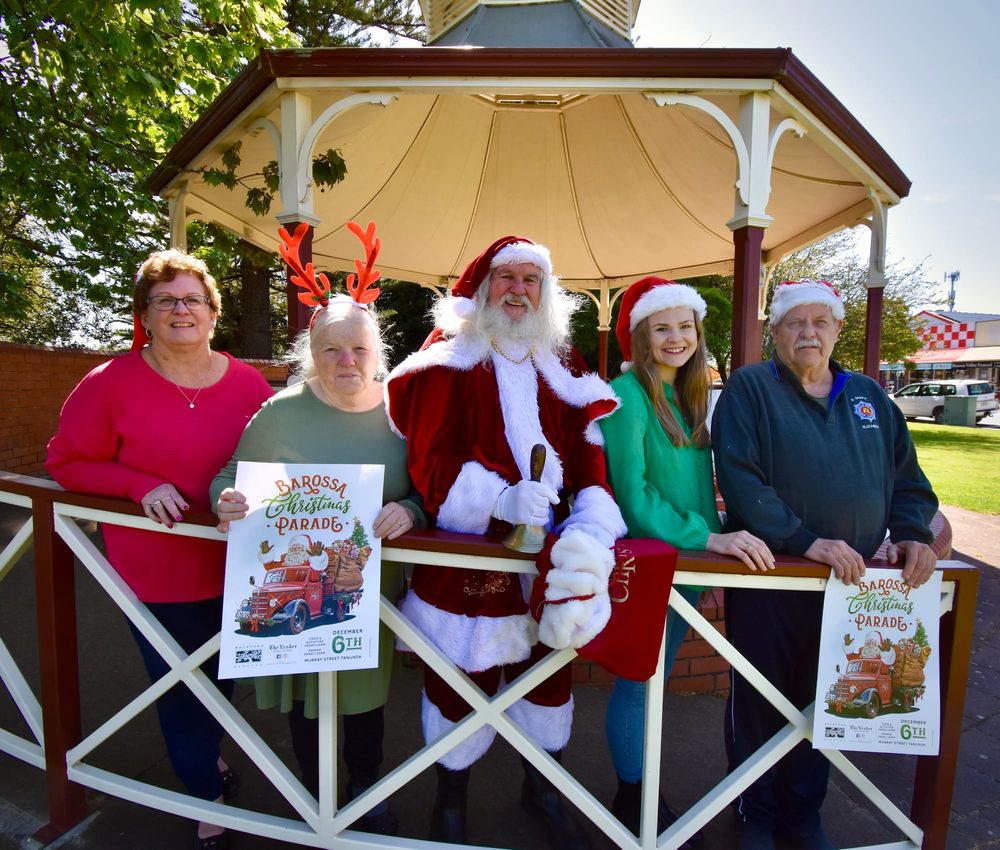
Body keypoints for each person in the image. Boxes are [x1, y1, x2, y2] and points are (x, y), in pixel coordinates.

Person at [385, 236, 627, 849]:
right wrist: (498, 499)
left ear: (546, 294)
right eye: (506, 277)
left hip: (549, 560)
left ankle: (542, 788)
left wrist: (593, 520)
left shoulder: (562, 366)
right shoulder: (450, 359)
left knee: (545, 674)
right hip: (470, 557)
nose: (518, 289)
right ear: (482, 288)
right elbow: (431, 460)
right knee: (458, 679)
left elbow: (589, 457)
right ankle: (450, 801)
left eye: (531, 279)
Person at [46, 249, 274, 850]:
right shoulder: (109, 383)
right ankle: (203, 791)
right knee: (177, 683)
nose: (180, 310)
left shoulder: (248, 382)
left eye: (192, 299)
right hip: (156, 569)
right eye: (165, 299)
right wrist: (136, 483)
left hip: (240, 564)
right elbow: (64, 462)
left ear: (212, 311)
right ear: (143, 314)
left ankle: (205, 760)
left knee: (220, 677)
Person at [211, 223, 425, 834]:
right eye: (332, 349)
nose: (346, 360)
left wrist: (409, 511)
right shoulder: (281, 413)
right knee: (307, 704)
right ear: (313, 352)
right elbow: (230, 475)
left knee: (364, 704)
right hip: (292, 585)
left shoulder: (400, 415)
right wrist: (223, 500)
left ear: (376, 351)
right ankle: (316, 801)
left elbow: (428, 492)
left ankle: (367, 790)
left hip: (366, 590)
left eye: (358, 347)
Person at [712, 279, 939, 850]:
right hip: (773, 580)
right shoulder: (750, 388)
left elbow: (909, 480)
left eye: (820, 322)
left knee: (830, 705)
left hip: (851, 590)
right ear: (776, 332)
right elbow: (739, 477)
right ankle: (754, 816)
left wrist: (914, 535)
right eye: (794, 322)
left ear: (839, 329)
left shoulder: (869, 396)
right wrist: (801, 538)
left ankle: (802, 816)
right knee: (762, 703)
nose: (808, 332)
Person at [599, 276, 775, 840]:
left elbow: (701, 489)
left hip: (691, 567)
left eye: (685, 326)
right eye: (661, 328)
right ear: (641, 336)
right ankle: (632, 799)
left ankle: (640, 793)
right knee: (637, 684)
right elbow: (633, 493)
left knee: (653, 683)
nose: (676, 338)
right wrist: (708, 539)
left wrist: (713, 549)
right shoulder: (625, 397)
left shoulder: (691, 397)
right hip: (652, 565)